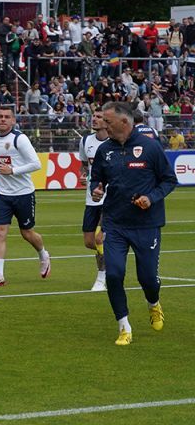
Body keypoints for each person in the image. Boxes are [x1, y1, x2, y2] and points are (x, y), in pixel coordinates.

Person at [91, 101, 176, 345]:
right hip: (114, 223)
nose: (103, 125)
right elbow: (97, 179)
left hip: (146, 224)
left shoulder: (150, 147)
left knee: (148, 279)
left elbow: (169, 180)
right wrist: (96, 189)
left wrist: (151, 198)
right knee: (114, 274)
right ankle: (124, 327)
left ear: (124, 122)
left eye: (107, 121)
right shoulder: (104, 150)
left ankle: (153, 303)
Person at [0, 104, 51, 287]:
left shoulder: (19, 139)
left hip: (23, 194)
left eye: (7, 117)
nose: (3, 119)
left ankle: (43, 254)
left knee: (27, 233)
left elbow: (36, 164)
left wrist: (13, 170)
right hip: (2, 194)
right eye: (0, 116)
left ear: (13, 120)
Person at [79, 107, 111, 292]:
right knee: (89, 241)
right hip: (91, 198)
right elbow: (84, 165)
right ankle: (114, 253)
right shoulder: (85, 141)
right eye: (93, 116)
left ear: (107, 121)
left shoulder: (114, 143)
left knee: (99, 238)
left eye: (99, 117)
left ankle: (101, 278)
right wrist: (84, 175)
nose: (94, 119)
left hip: (109, 198)